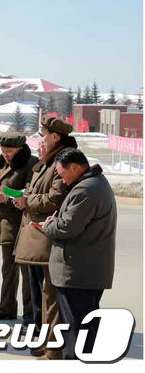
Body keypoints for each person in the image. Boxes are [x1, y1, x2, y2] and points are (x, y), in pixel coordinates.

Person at [37, 148, 116, 359]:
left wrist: (48, 226)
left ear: (75, 167)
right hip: (87, 270)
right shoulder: (95, 183)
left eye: (63, 174)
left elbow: (67, 228)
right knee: (85, 328)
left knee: (75, 332)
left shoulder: (86, 190)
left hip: (78, 272)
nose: (62, 180)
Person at [13, 116, 78, 359]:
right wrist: (25, 196)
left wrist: (27, 200)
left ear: (55, 137)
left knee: (50, 297)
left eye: (44, 135)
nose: (41, 139)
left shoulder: (62, 162)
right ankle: (45, 341)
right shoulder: (48, 162)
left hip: (47, 237)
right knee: (40, 296)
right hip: (35, 237)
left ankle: (53, 347)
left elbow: (55, 199)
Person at [0, 133, 38, 334]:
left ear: (20, 149)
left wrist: (5, 197)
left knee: (27, 272)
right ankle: (6, 308)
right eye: (3, 151)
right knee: (8, 269)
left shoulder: (32, 164)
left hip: (24, 224)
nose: (6, 155)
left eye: (10, 152)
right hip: (6, 224)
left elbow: (29, 193)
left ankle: (30, 315)